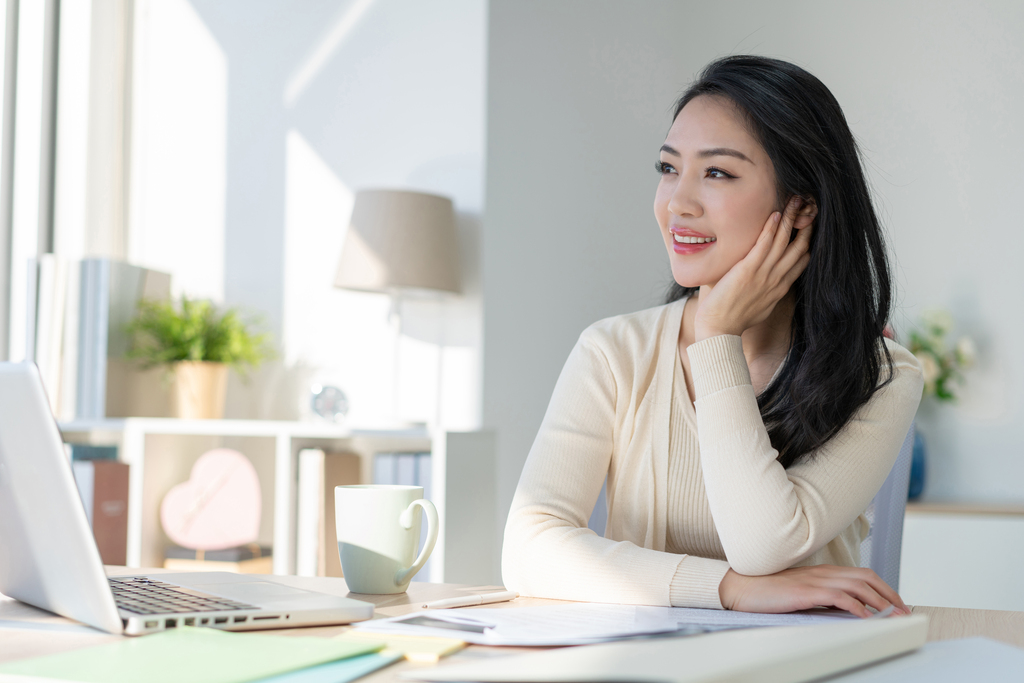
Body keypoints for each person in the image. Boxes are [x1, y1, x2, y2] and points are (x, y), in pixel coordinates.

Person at [501, 55, 923, 617]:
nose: (678, 202)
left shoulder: (880, 375)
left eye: (717, 172)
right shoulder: (613, 352)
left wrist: (716, 337)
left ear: (800, 206)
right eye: (669, 168)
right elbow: (529, 548)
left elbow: (765, 544)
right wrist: (731, 589)